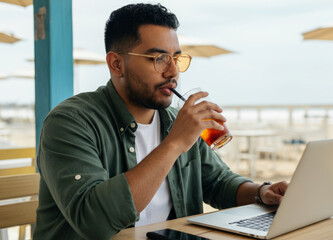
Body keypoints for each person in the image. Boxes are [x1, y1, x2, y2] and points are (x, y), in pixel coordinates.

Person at [33, 3, 287, 240]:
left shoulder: (175, 121)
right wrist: (175, 143)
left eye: (176, 58)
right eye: (158, 59)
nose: (173, 71)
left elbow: (218, 182)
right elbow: (94, 221)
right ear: (116, 64)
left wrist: (262, 192)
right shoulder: (70, 122)